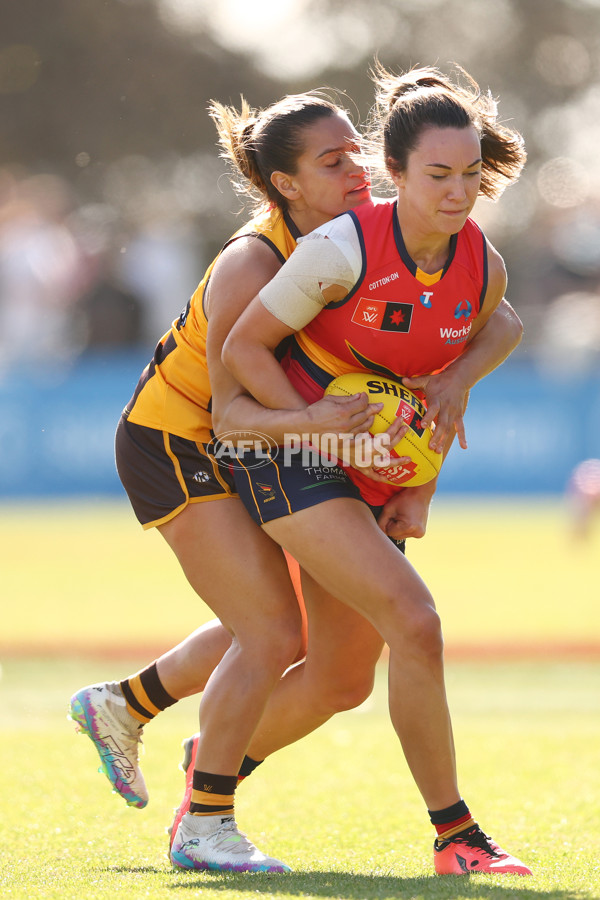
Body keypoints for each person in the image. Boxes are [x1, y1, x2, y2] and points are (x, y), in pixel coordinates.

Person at [70, 83, 523, 875]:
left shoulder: (388, 241)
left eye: (358, 151)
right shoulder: (260, 257)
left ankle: (135, 705)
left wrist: (419, 442)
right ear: (285, 184)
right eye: (333, 160)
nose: (357, 171)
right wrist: (328, 437)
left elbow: (462, 340)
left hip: (284, 439)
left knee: (338, 669)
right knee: (273, 628)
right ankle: (206, 814)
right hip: (184, 438)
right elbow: (231, 404)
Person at [221, 64, 532, 876]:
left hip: (374, 474)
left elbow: (502, 330)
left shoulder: (480, 262)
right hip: (296, 457)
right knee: (416, 622)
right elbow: (244, 348)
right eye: (438, 176)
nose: (459, 192)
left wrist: (454, 387)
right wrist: (310, 425)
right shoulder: (341, 247)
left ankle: (210, 765)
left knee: (338, 679)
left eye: (469, 174)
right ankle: (457, 836)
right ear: (393, 173)